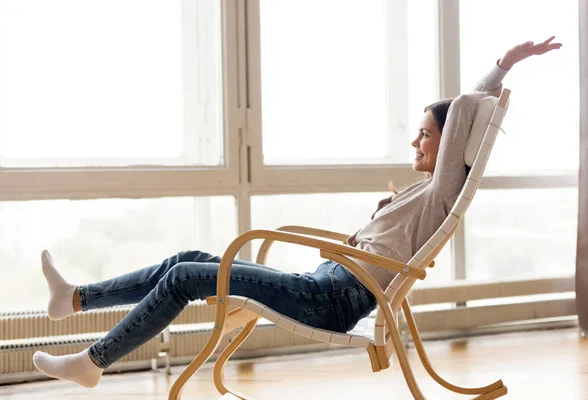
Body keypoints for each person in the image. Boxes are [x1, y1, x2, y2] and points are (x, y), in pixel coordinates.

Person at [32, 37, 561, 388]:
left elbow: (468, 109)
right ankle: (75, 298)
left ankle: (93, 362)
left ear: (450, 144)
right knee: (186, 260)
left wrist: (504, 65)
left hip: (332, 296)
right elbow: (459, 120)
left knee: (188, 277)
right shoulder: (421, 193)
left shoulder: (443, 191)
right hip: (322, 282)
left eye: (427, 132)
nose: (417, 140)